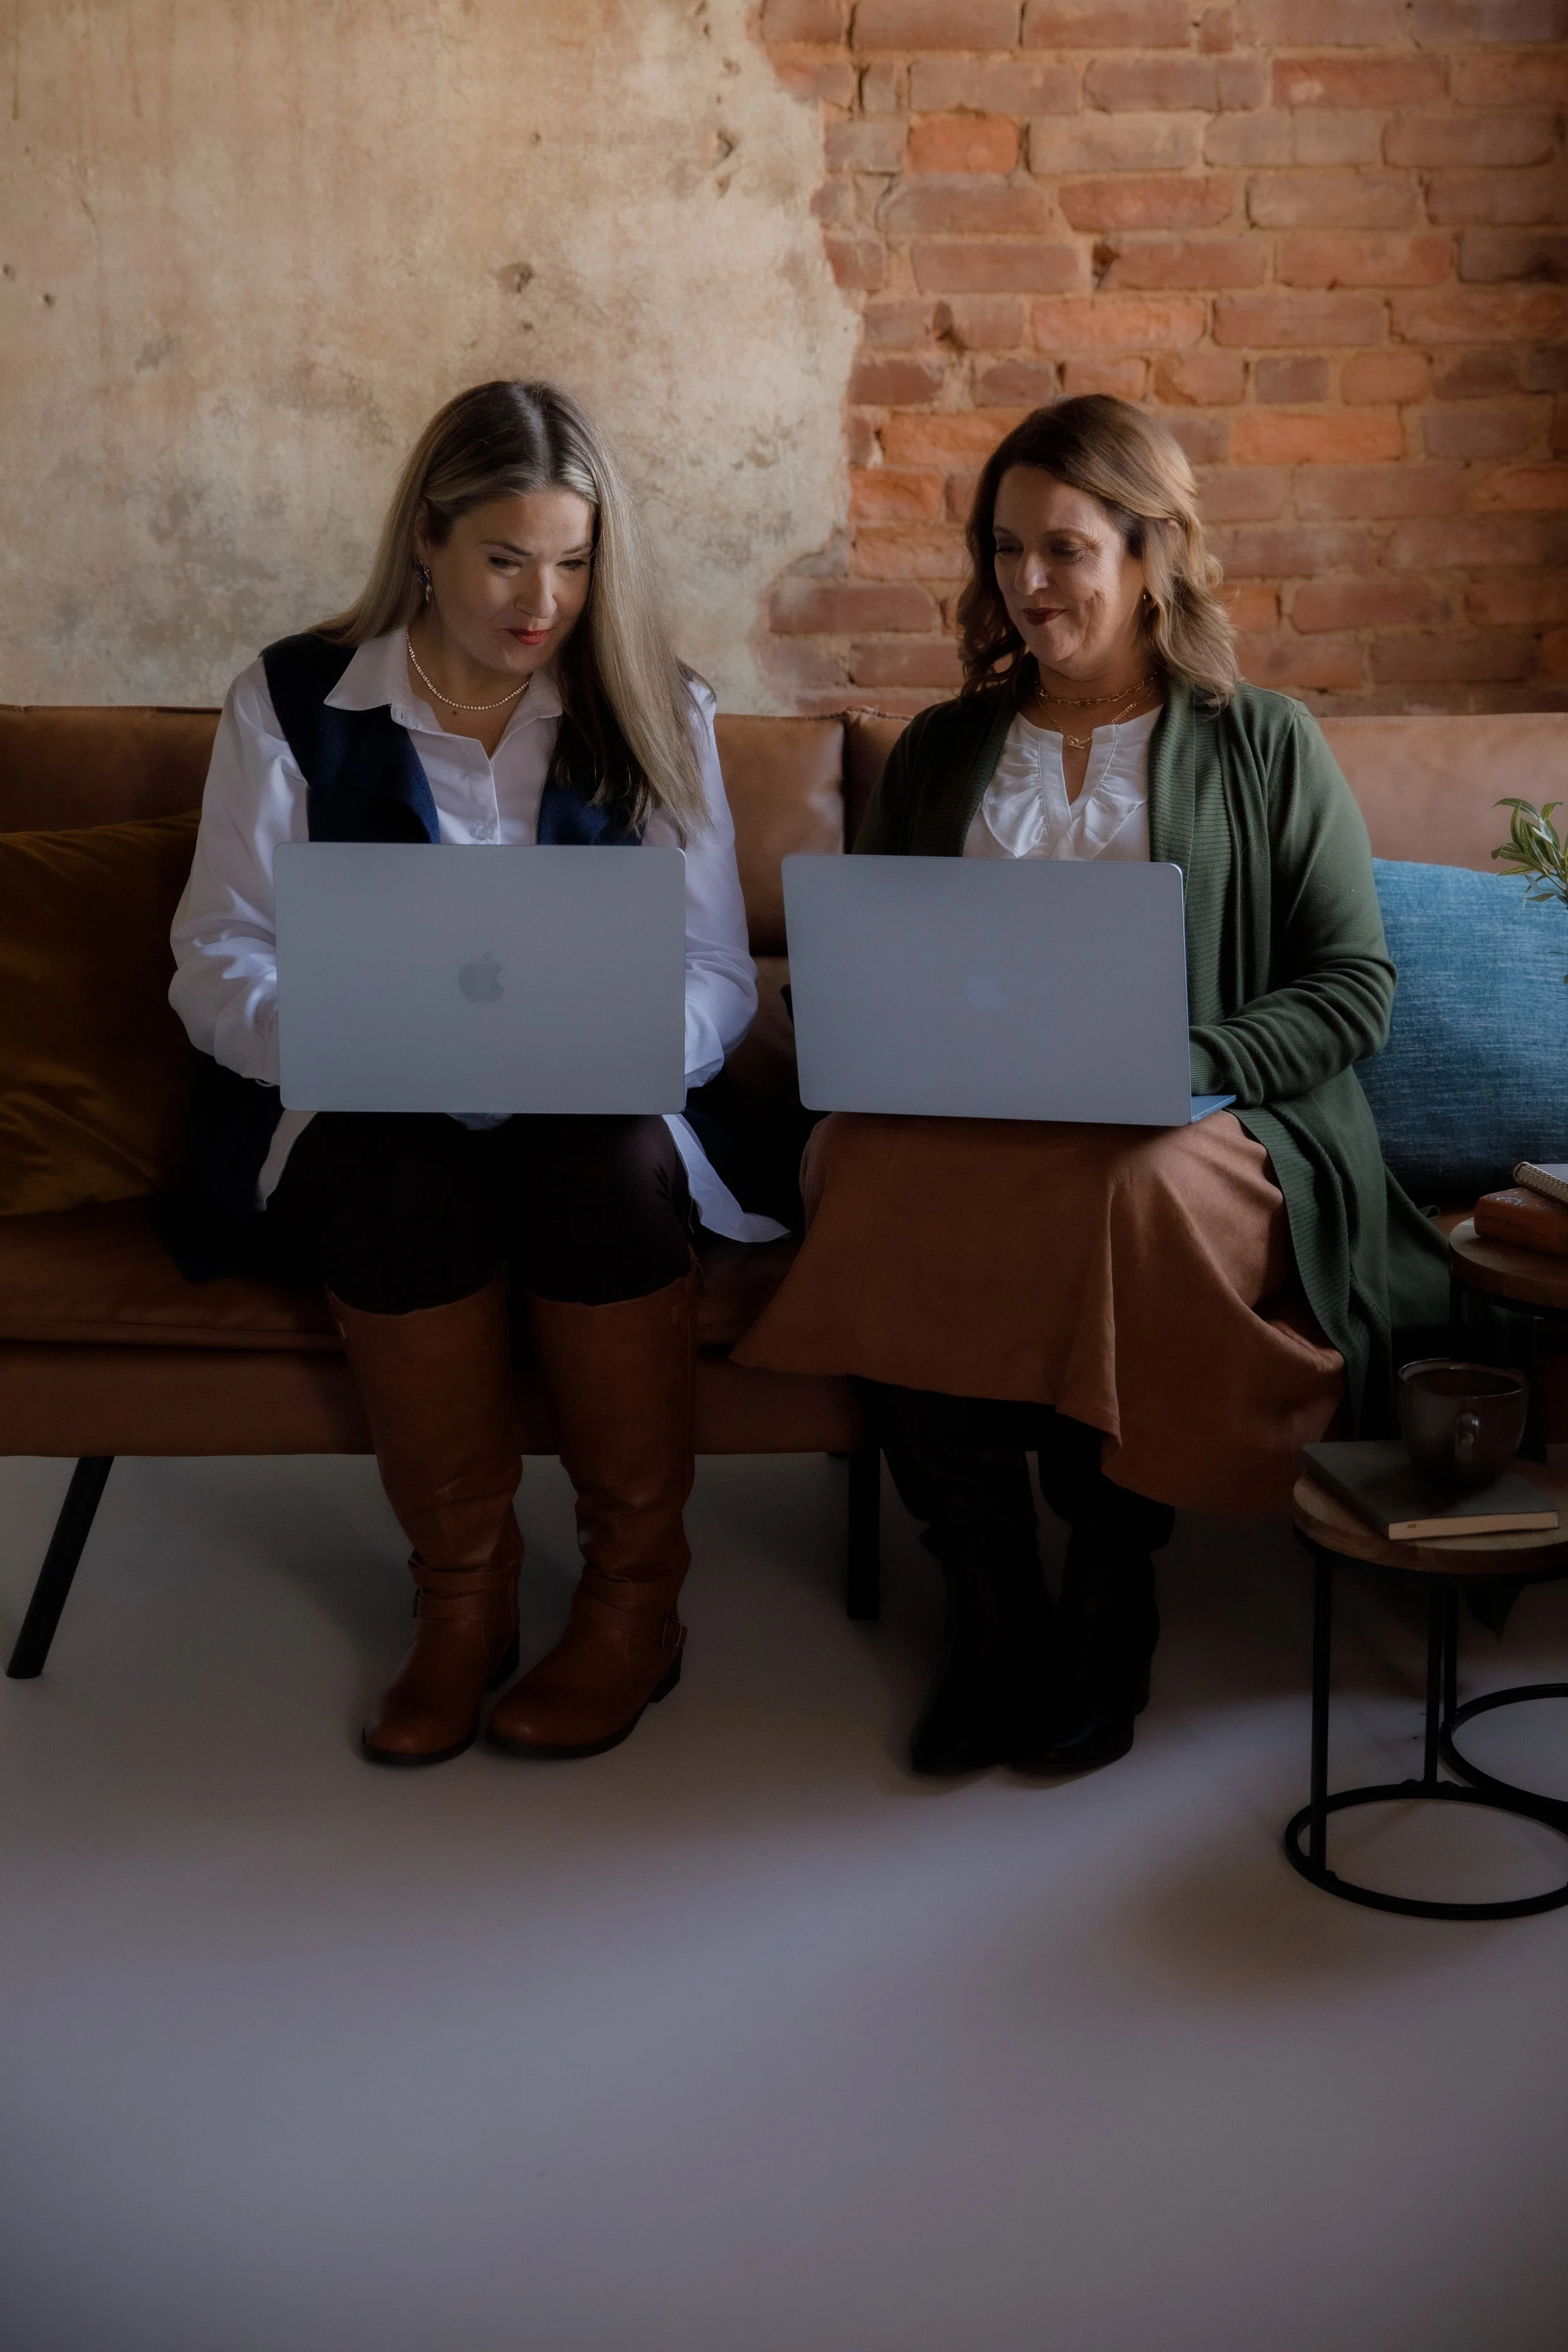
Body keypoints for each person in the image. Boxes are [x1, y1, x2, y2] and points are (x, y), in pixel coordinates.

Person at [734, 394, 1448, 1783]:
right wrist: (870, 1024)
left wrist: (1184, 1063)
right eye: (1006, 549)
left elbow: (1349, 987)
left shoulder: (1261, 744)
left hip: (1194, 1125)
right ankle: (988, 1601)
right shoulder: (945, 750)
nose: (1028, 582)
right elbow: (845, 966)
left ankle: (1108, 1592)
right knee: (869, 1170)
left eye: (1064, 549)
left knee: (1136, 1183)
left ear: (1149, 555)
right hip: (959, 1121)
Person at [168, 378, 781, 1768]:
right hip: (365, 1099)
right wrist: (336, 1041)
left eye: (574, 562)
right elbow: (217, 955)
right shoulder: (289, 699)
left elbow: (716, 977)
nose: (542, 601)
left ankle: (637, 1601)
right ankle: (464, 1597)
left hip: (590, 1102)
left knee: (608, 1171)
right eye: (506, 558)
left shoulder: (652, 704)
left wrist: (625, 1045)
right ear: (428, 543)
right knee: (393, 1178)